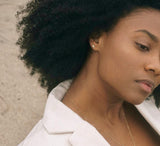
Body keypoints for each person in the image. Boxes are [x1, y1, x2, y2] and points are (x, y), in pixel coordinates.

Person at [16, 0, 160, 145]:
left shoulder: (148, 106)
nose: (157, 67)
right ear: (97, 37)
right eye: (143, 46)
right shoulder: (46, 142)